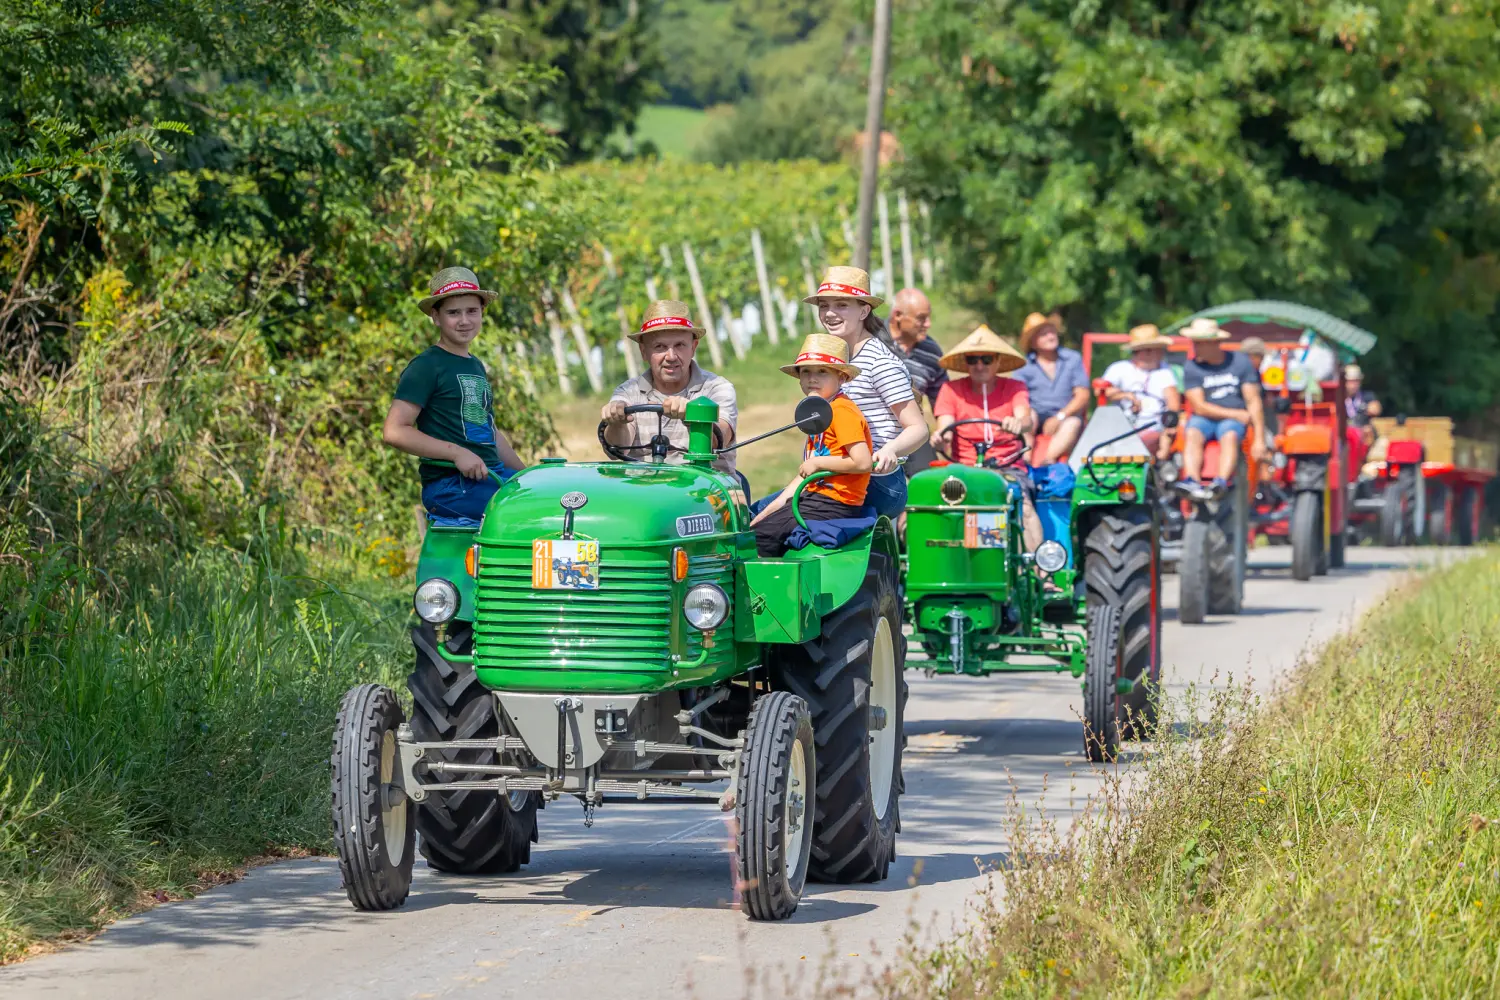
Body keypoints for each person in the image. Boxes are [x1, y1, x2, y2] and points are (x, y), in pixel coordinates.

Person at [384, 266, 526, 521]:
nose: (464, 320)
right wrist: (456, 452)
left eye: (472, 311)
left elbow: (488, 429)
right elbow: (395, 431)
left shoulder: (475, 365)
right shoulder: (427, 366)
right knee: (526, 513)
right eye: (453, 313)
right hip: (450, 486)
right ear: (436, 317)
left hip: (491, 475)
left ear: (482, 312)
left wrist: (526, 474)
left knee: (549, 498)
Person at [803, 266, 928, 518]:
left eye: (841, 305)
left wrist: (890, 450)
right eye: (824, 306)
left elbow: (919, 429)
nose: (829, 313)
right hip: (840, 476)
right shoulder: (831, 362)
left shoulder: (879, 362)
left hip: (877, 482)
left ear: (863, 310)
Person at [750, 334, 873, 556]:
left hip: (836, 502)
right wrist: (774, 506)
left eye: (822, 371)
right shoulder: (820, 412)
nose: (812, 379)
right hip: (816, 498)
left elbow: (863, 462)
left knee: (760, 538)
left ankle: (762, 588)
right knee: (754, 521)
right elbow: (804, 475)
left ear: (842, 377)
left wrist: (817, 462)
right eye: (806, 371)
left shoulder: (841, 411)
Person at [930, 325, 1044, 549]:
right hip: (964, 468)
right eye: (973, 360)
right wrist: (941, 438)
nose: (979, 365)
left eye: (986, 359)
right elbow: (945, 427)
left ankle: (1038, 573)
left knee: (1024, 504)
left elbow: (1026, 419)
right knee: (936, 502)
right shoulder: (950, 390)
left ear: (998, 362)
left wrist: (1017, 423)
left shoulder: (1015, 387)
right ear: (965, 364)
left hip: (1008, 466)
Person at [601, 300, 738, 474]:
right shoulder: (627, 393)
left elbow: (718, 440)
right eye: (660, 347)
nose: (671, 356)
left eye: (680, 345)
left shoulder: (717, 388)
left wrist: (692, 417)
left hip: (704, 492)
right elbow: (617, 450)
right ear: (644, 351)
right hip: (644, 492)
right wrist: (617, 422)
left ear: (693, 348)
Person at [1180, 317, 1267, 494]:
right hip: (1206, 418)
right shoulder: (1192, 367)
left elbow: (1253, 400)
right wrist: (1235, 414)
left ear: (1215, 343)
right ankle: (1191, 481)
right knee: (1192, 433)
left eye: (1199, 343)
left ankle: (1220, 482)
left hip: (1231, 423)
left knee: (1230, 436)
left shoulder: (1240, 362)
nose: (1195, 348)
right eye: (1194, 342)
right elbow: (1199, 407)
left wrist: (1259, 439)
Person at [1014, 312, 1089, 464]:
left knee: (1073, 422)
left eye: (1051, 331)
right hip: (1035, 415)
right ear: (1033, 343)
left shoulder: (1072, 358)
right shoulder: (1023, 366)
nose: (1050, 336)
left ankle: (1048, 461)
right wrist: (1026, 417)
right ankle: (1025, 460)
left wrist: (1060, 417)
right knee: (1027, 418)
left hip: (1065, 415)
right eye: (1043, 334)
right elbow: (1017, 397)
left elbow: (1083, 395)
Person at [1099, 324, 1181, 460]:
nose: (1160, 353)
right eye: (1155, 349)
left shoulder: (1164, 371)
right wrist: (1125, 396)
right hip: (1122, 424)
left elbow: (1173, 403)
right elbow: (1102, 391)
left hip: (1154, 425)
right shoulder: (1119, 368)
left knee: (1151, 439)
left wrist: (1170, 422)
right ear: (1143, 351)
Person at [889, 287, 946, 478]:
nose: (928, 324)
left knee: (929, 482)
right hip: (869, 428)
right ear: (898, 315)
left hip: (912, 429)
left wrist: (945, 431)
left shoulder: (932, 352)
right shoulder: (869, 337)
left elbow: (942, 401)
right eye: (921, 318)